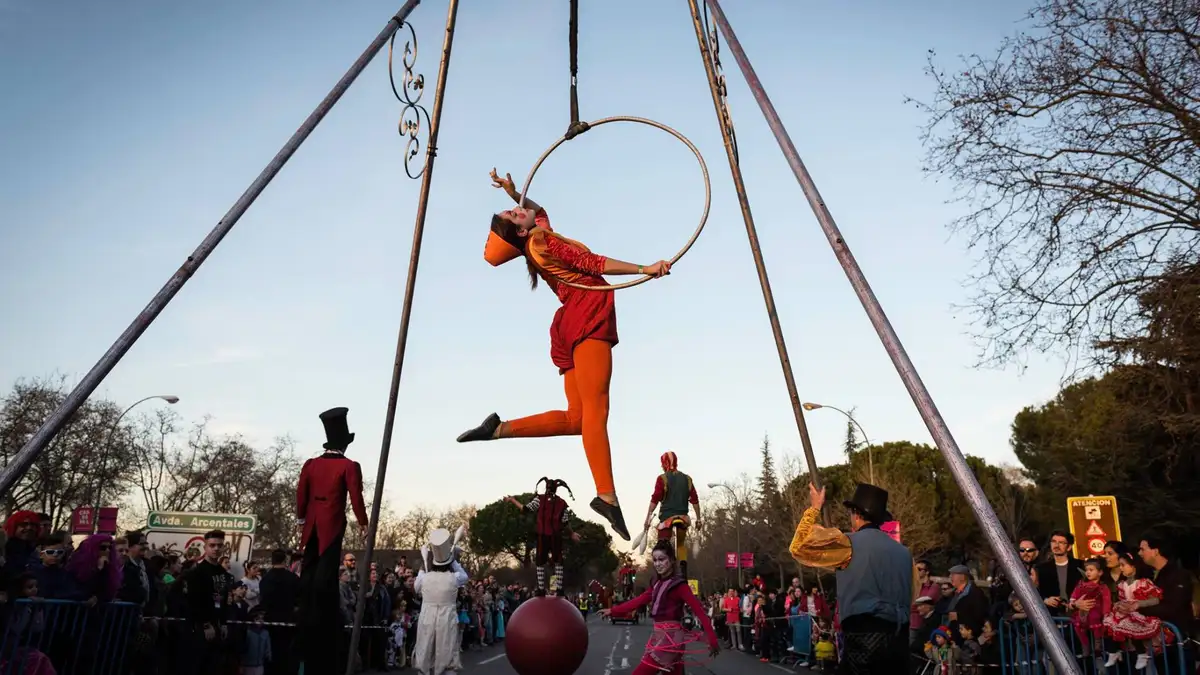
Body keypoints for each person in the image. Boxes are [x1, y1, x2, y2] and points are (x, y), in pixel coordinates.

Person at [456, 168, 675, 541]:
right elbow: (593, 264)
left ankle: (499, 429)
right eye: (513, 214)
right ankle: (606, 494)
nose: (517, 209)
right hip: (587, 313)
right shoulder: (541, 242)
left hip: (570, 322)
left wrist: (513, 193)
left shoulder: (537, 238)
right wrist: (645, 269)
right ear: (521, 231)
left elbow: (538, 209)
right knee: (597, 410)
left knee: (578, 419)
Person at [789, 482, 917, 674]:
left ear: (856, 514)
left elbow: (798, 547)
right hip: (899, 640)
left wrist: (814, 508)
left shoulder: (847, 544)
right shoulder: (904, 553)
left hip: (863, 637)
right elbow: (913, 593)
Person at [294, 407, 369, 675]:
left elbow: (301, 493)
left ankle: (306, 605)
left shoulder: (311, 464)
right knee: (325, 571)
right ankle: (321, 611)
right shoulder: (349, 466)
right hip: (331, 523)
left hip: (312, 522)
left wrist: (302, 517)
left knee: (310, 566)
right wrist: (364, 523)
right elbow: (356, 497)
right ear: (344, 444)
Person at [599, 540, 719, 674]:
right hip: (660, 636)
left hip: (671, 639)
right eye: (655, 560)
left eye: (662, 559)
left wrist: (712, 639)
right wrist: (613, 610)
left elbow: (700, 612)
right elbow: (638, 601)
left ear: (672, 560)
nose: (657, 564)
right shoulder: (656, 584)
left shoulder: (679, 586)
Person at [504, 478, 581, 596]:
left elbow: (525, 509)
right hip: (555, 535)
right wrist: (571, 534)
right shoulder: (561, 503)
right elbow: (565, 522)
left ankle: (542, 589)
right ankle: (557, 589)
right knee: (557, 562)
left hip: (543, 535)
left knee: (542, 562)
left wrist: (513, 500)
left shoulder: (540, 499)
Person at [412, 527, 469, 675]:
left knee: (425, 652)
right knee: (446, 654)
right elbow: (465, 576)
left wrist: (423, 568)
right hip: (446, 619)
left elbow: (416, 587)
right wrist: (453, 561)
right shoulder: (454, 578)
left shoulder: (425, 578)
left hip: (427, 618)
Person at [640, 451, 702, 580]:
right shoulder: (687, 479)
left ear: (664, 463)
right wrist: (699, 519)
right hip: (683, 519)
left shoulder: (662, 478)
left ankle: (662, 575)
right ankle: (683, 572)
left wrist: (648, 517)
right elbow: (695, 500)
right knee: (680, 545)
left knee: (662, 544)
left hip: (667, 518)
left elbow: (655, 499)